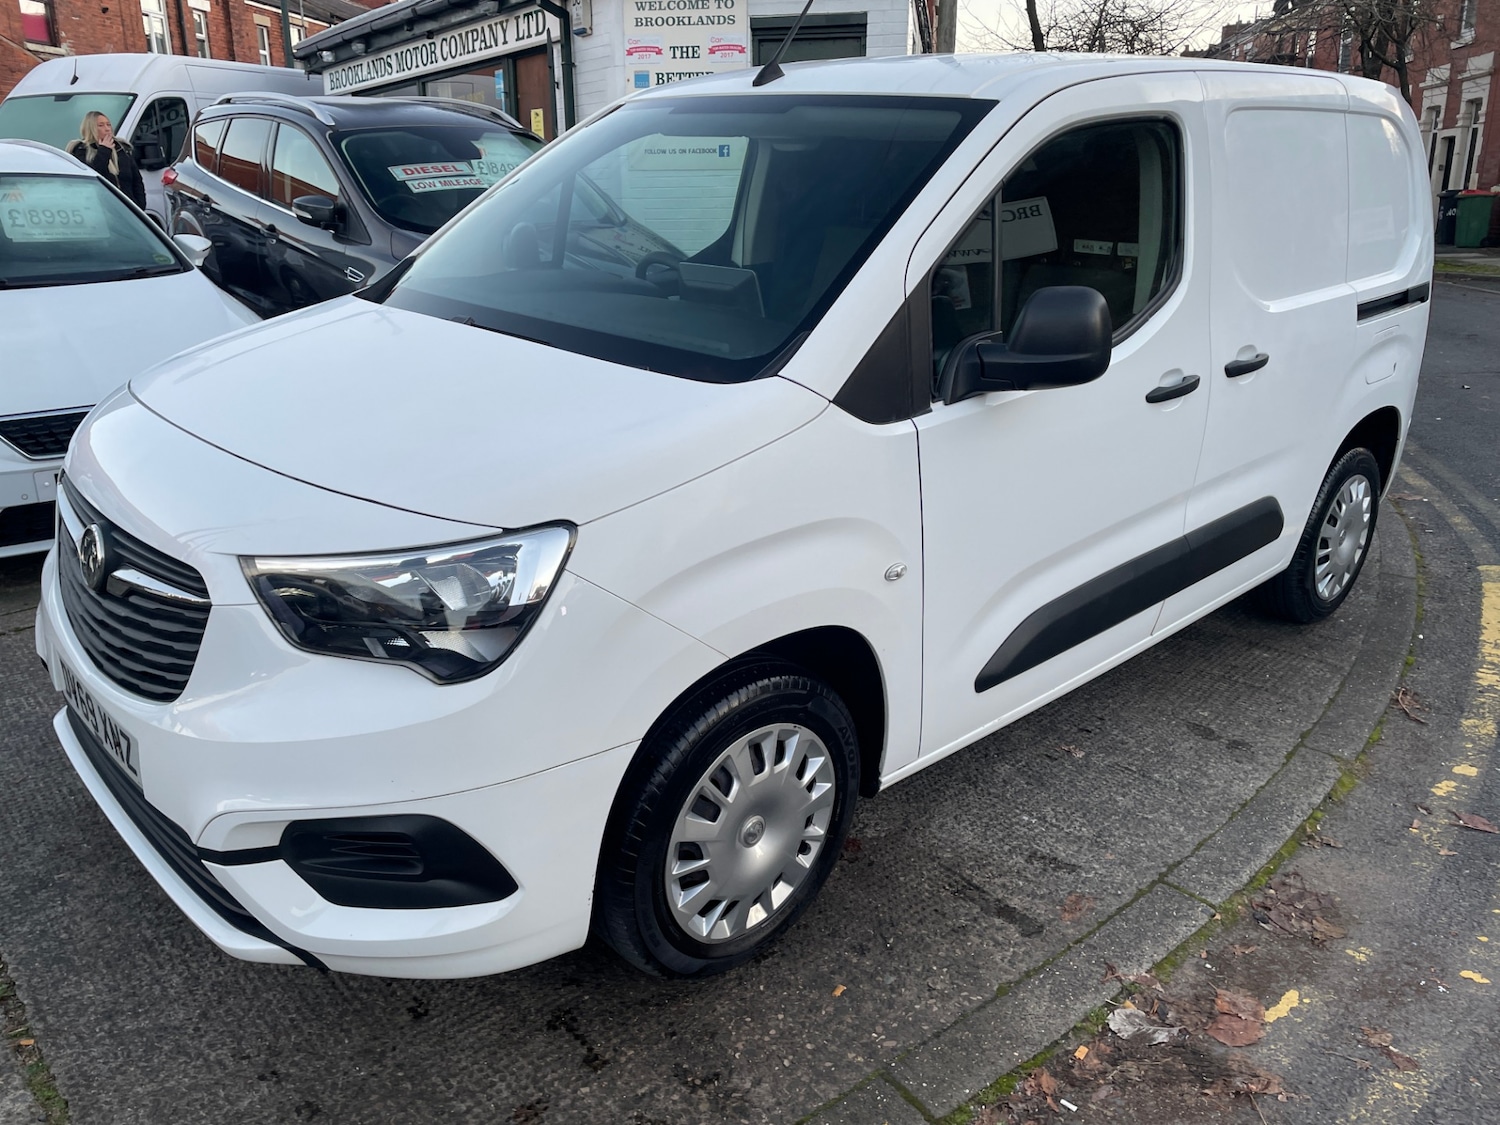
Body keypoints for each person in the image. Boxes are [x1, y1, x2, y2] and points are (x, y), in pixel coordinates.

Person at [65, 111, 147, 211]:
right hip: (99, 210)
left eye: (108, 124)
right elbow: (96, 175)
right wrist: (104, 150)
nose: (107, 129)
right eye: (101, 125)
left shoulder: (122, 149)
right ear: (91, 128)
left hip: (128, 210)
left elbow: (137, 180)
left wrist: (140, 206)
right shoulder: (81, 151)